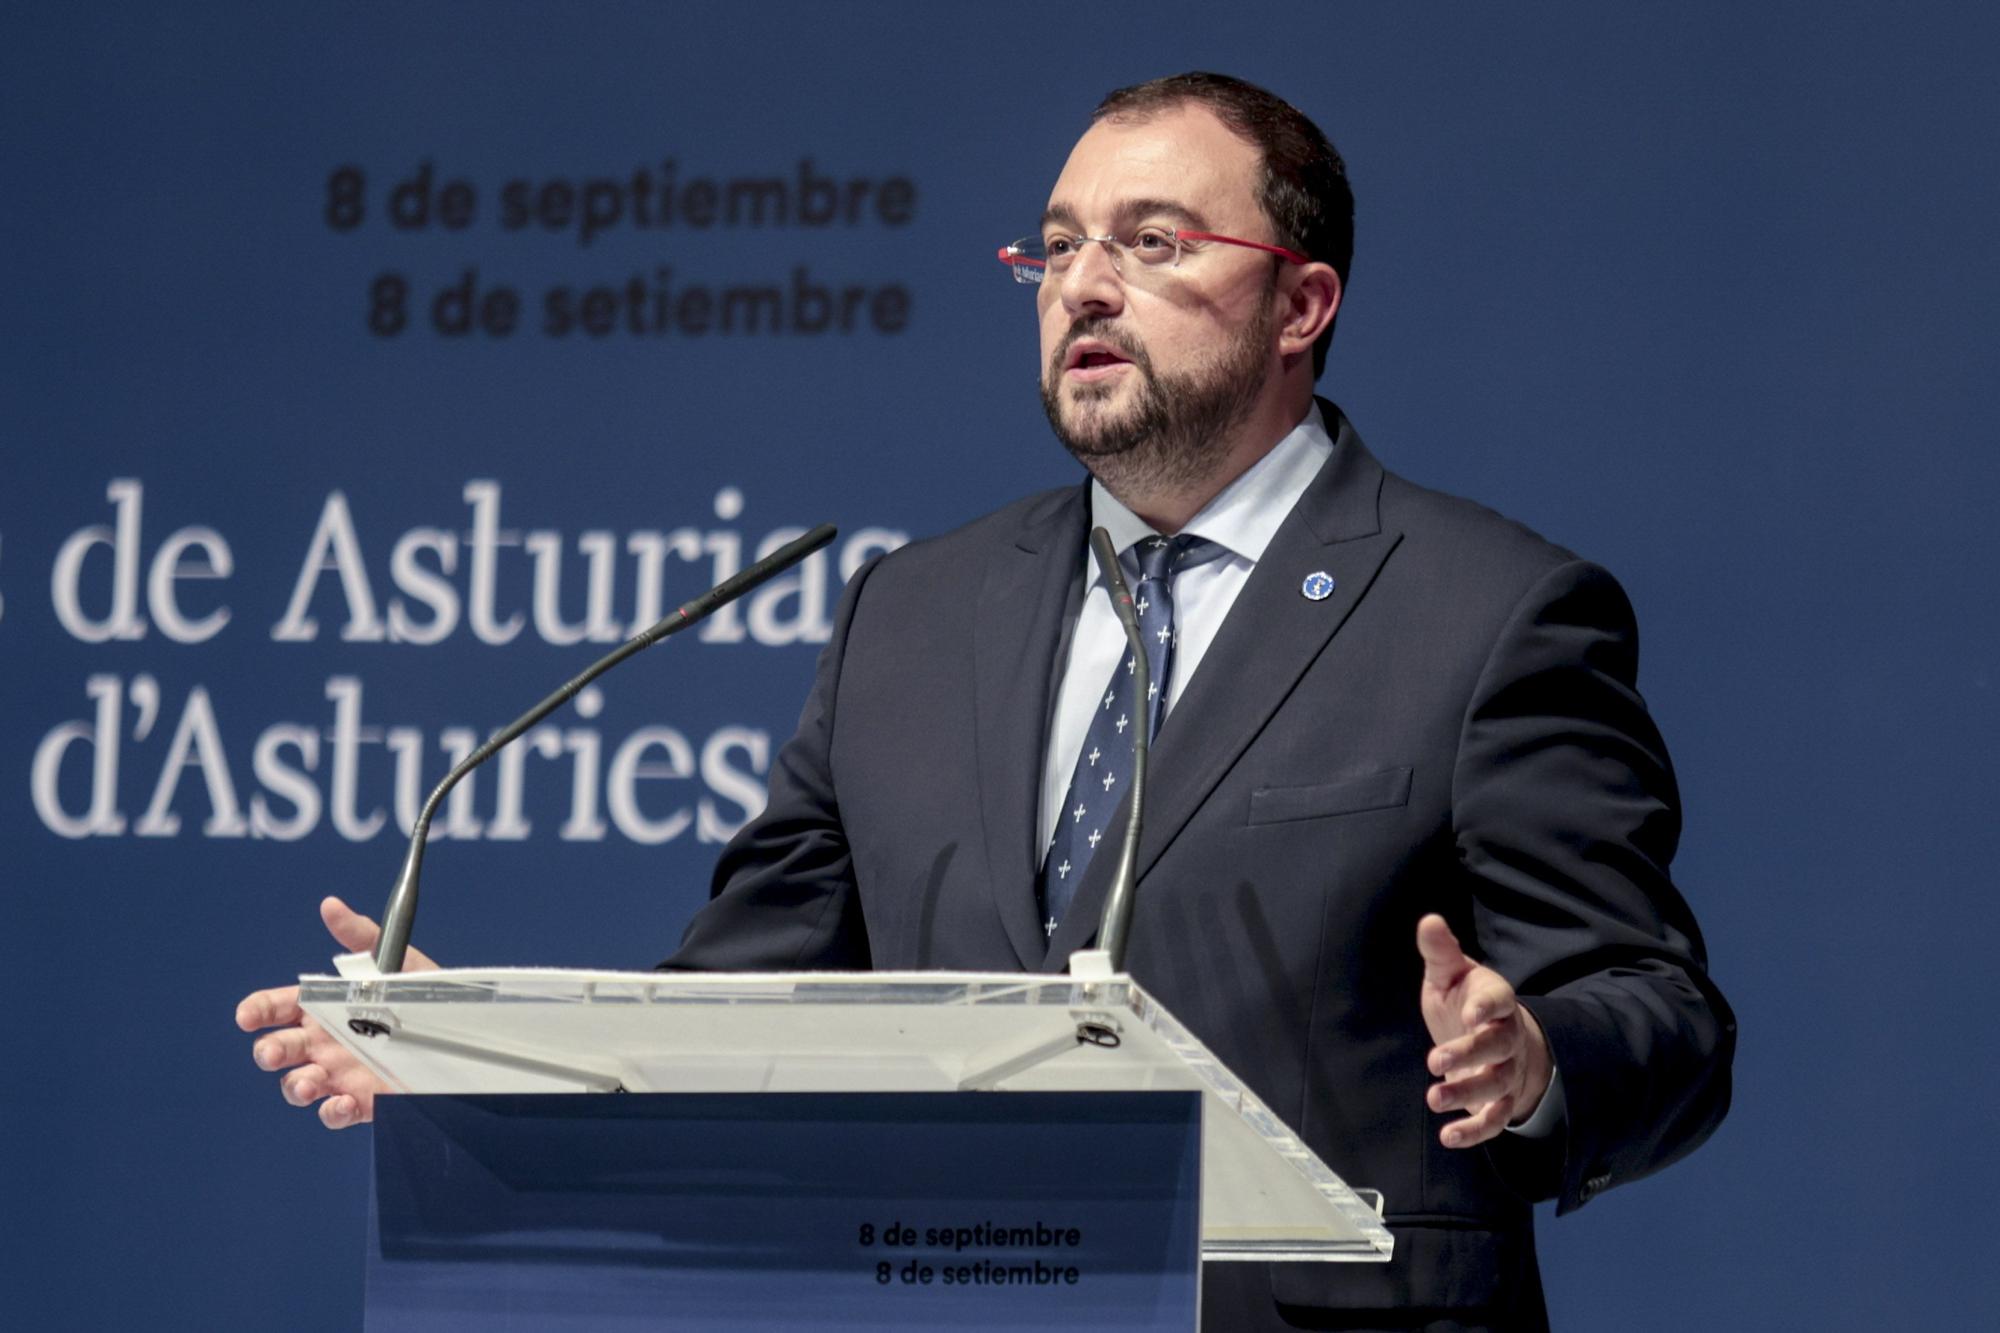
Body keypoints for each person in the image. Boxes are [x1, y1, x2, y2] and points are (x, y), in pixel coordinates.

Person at [240, 72, 1733, 1332]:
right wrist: (492, 1070)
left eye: (1153, 242)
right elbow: (739, 1007)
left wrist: (1534, 1059)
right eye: (1059, 247)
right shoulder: (914, 613)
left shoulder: (1487, 613)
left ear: (1303, 302)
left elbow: (1659, 1010)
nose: (1084, 284)